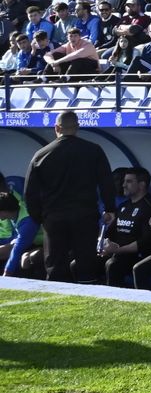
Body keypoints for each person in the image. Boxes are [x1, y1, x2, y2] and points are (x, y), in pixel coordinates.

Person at [24, 110, 115, 283]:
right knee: (86, 266)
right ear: (77, 127)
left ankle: (57, 294)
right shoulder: (94, 150)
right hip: (85, 216)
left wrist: (40, 217)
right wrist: (110, 208)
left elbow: (30, 193)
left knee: (56, 267)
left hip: (54, 218)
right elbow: (106, 182)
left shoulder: (41, 155)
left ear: (56, 128)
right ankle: (88, 290)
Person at [100, 167, 151, 288]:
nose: (123, 185)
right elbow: (110, 233)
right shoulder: (123, 206)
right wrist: (105, 244)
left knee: (113, 264)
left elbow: (146, 243)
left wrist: (117, 250)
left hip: (139, 257)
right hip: (117, 253)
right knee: (81, 263)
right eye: (124, 181)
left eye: (128, 181)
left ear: (142, 185)